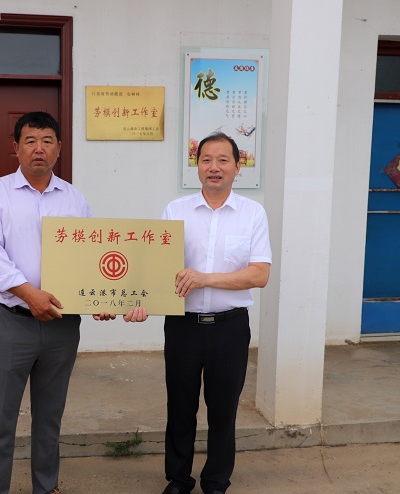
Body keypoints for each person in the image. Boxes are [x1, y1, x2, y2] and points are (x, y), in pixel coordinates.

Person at [0, 111, 147, 494]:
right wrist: (29, 294)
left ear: (59, 148)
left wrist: (101, 298)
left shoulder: (74, 198)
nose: (39, 148)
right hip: (14, 321)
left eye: (47, 141)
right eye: (30, 141)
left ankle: (45, 486)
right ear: (16, 147)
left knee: (49, 418)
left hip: (63, 325)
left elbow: (92, 258)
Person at [160, 132, 272, 494]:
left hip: (230, 328)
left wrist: (205, 279)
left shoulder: (252, 214)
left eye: (223, 160)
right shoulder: (175, 211)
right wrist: (138, 299)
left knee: (224, 410)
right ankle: (178, 479)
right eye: (206, 159)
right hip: (183, 326)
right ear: (196, 166)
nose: (214, 167)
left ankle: (216, 482)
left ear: (238, 167)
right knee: (180, 407)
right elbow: (159, 271)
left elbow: (259, 274)